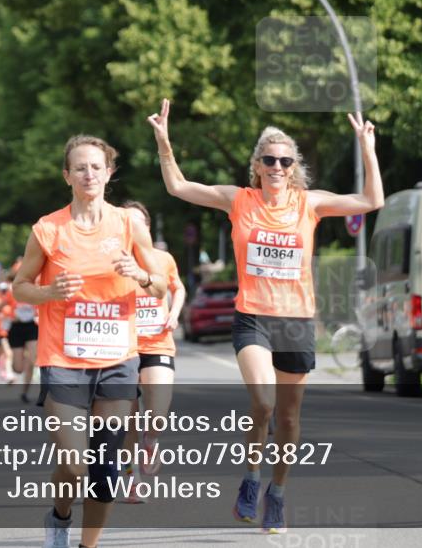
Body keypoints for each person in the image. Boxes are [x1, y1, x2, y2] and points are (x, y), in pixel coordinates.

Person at [148, 98, 384, 533]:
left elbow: (372, 199)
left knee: (290, 419)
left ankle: (277, 492)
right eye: (269, 159)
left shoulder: (308, 204)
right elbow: (178, 186)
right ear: (257, 165)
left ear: (293, 167)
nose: (277, 166)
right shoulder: (239, 200)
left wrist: (367, 147)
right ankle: (252, 480)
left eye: (285, 160)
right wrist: (164, 141)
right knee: (264, 402)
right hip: (253, 316)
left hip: (295, 322)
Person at [11, 134, 167, 548]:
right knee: (75, 464)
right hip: (63, 359)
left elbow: (161, 287)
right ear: (67, 176)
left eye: (96, 166)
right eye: (80, 167)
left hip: (118, 360)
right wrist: (48, 293)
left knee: (104, 467)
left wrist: (140, 274)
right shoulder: (48, 229)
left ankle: (87, 545)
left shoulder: (129, 224)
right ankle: (60, 517)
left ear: (109, 173)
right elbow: (20, 287)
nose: (89, 174)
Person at [117, 200, 186, 504]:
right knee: (129, 418)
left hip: (158, 341)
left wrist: (175, 313)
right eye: (127, 225)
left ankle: (152, 439)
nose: (134, 230)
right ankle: (133, 480)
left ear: (146, 227)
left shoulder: (162, 258)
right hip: (123, 347)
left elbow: (178, 288)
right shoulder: (113, 262)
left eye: (139, 224)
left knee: (157, 412)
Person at [5, 260, 40, 402]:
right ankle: (21, 359)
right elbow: (1, 306)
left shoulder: (36, 288)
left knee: (33, 359)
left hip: (31, 327)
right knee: (18, 368)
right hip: (16, 328)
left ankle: (25, 392)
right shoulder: (10, 290)